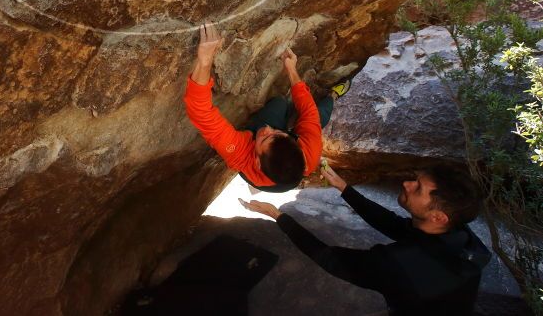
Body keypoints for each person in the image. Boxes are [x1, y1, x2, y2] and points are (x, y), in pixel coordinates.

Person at [240, 164, 491, 315]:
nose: (406, 183)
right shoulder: (463, 238)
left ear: (438, 217)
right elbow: (396, 225)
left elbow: (329, 258)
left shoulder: (397, 264)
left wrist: (278, 215)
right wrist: (343, 188)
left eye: (418, 189)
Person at [183, 22, 349, 192]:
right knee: (315, 114)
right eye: (279, 133)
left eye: (265, 137)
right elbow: (309, 111)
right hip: (288, 157)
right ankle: (332, 97)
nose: (269, 128)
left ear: (257, 160)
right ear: (295, 142)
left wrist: (204, 61)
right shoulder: (310, 151)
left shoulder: (243, 157)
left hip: (264, 179)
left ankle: (294, 116)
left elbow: (201, 112)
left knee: (278, 107)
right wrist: (291, 70)